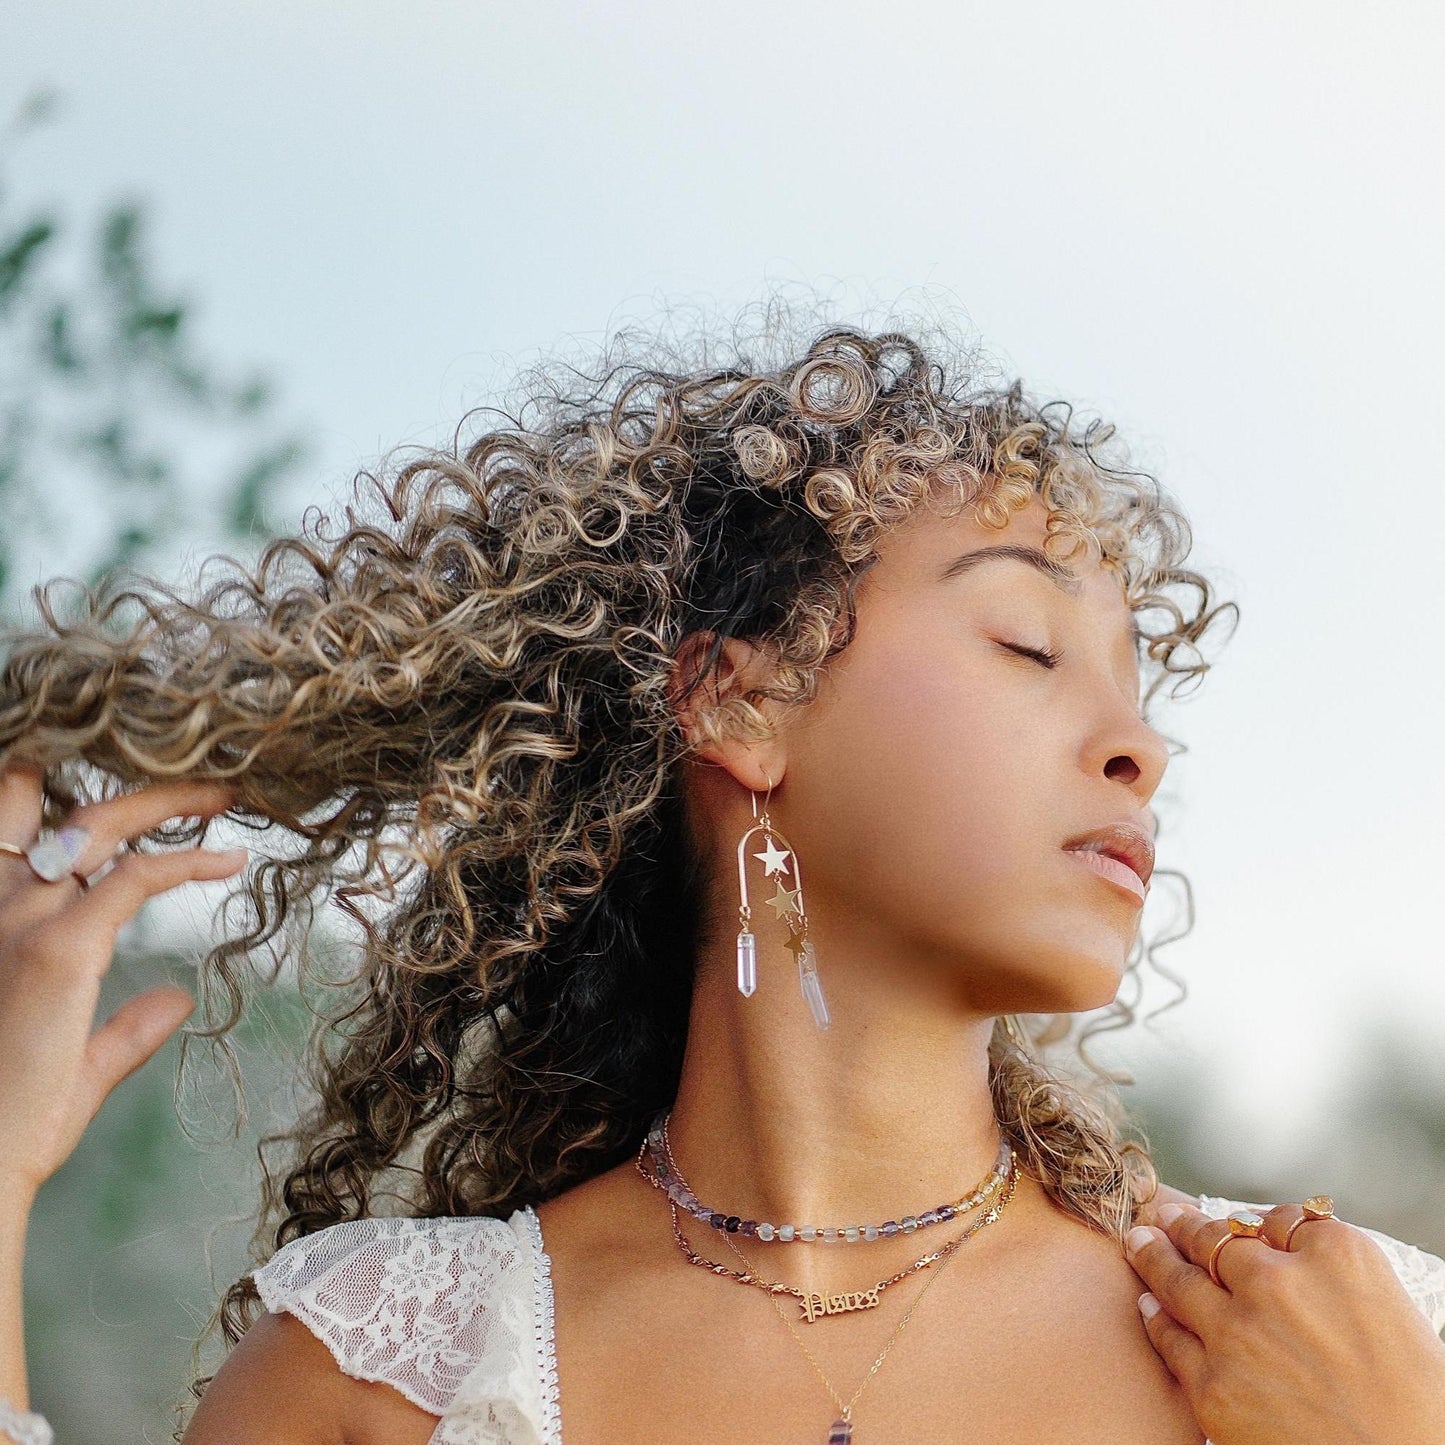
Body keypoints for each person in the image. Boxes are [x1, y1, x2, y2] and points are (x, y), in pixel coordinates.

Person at [0, 315, 1442, 1445]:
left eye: (1139, 690)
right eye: (1025, 643)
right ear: (738, 704)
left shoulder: (1343, 1346)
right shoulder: (392, 1372)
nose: (1135, 746)